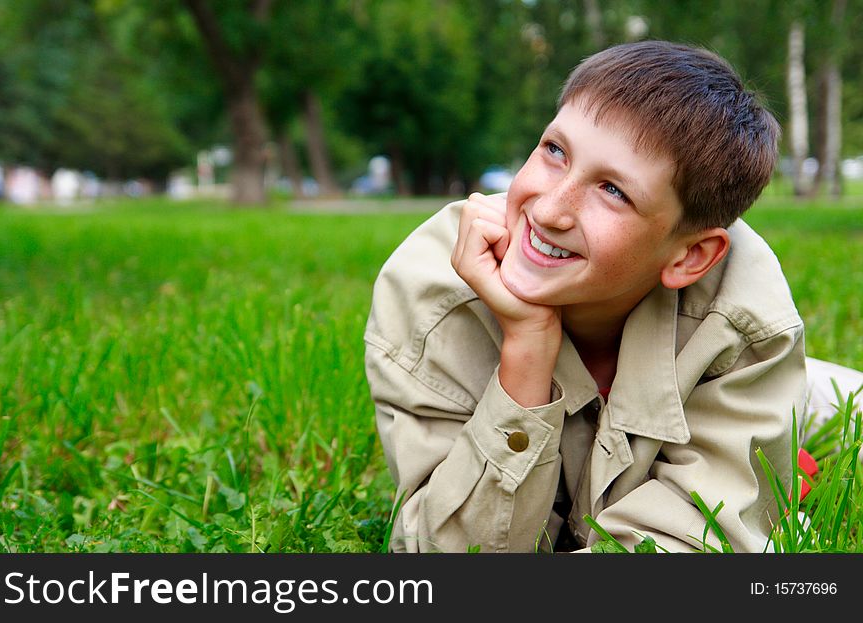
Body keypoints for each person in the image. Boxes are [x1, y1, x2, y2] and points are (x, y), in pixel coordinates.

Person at [364, 41, 863, 553]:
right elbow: (447, 555)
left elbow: (693, 543)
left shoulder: (743, 323)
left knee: (839, 410)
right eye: (555, 151)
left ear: (688, 258)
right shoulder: (432, 293)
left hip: (747, 389)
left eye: (614, 191)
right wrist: (528, 348)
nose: (550, 210)